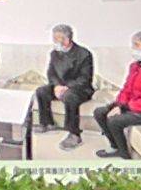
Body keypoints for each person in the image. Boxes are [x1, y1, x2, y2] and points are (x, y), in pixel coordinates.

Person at [95, 29, 141, 159]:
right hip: (133, 106)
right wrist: (118, 104)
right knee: (100, 112)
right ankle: (115, 146)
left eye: (137, 45)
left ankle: (124, 154)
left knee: (114, 121)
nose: (133, 48)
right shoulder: (135, 66)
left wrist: (125, 108)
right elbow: (127, 89)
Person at [35, 23, 96, 151]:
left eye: (58, 38)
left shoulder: (84, 54)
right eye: (54, 38)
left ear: (67, 39)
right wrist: (56, 86)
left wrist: (66, 87)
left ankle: (74, 134)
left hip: (80, 88)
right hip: (60, 86)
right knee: (41, 91)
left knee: (70, 97)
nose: (55, 41)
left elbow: (85, 78)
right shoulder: (54, 53)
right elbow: (51, 73)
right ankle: (47, 123)